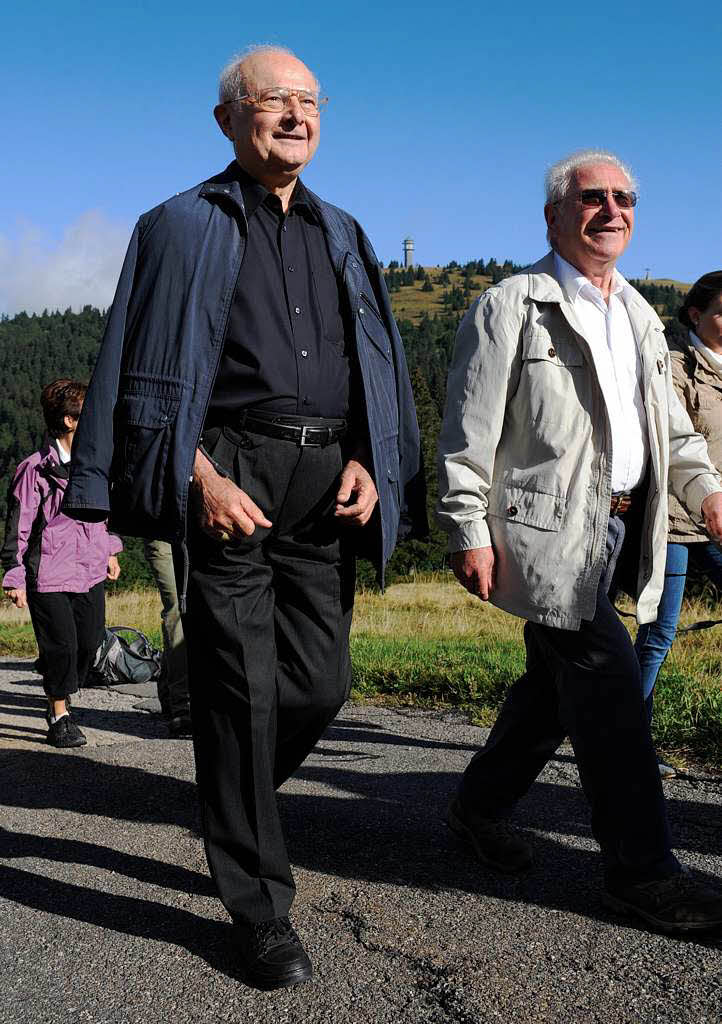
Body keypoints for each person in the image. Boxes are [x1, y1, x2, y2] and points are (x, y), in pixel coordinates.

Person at [63, 45, 424, 989]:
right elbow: (137, 365)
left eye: (311, 101)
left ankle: (227, 779)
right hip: (229, 476)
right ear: (229, 118)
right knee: (247, 696)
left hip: (325, 485)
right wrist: (196, 474)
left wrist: (370, 459)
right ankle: (261, 908)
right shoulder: (176, 225)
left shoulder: (344, 230)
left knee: (318, 685)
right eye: (275, 101)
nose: (297, 116)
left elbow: (373, 365)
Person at [437, 149, 722, 935]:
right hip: (547, 530)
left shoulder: (634, 311)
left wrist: (709, 494)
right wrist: (467, 526)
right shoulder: (512, 305)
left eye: (624, 197)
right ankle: (643, 874)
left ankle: (477, 808)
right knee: (609, 682)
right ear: (555, 216)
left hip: (629, 523)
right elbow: (467, 431)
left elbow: (668, 426)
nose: (612, 209)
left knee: (549, 693)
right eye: (592, 197)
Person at [1, 380, 122, 748]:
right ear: (70, 421)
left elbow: (103, 515)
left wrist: (110, 549)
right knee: (63, 648)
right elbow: (18, 526)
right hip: (48, 574)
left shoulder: (96, 465)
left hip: (88, 569)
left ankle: (55, 671)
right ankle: (58, 714)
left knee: (88, 642)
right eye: (89, 415)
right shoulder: (34, 469)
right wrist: (14, 575)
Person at [635, 271, 722, 777]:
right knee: (659, 632)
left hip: (716, 514)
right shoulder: (673, 365)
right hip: (673, 516)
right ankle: (630, 742)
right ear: (695, 315)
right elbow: (675, 437)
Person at [143, 539, 191, 737]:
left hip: (200, 533)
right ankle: (183, 705)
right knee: (176, 611)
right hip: (162, 535)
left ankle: (167, 692)